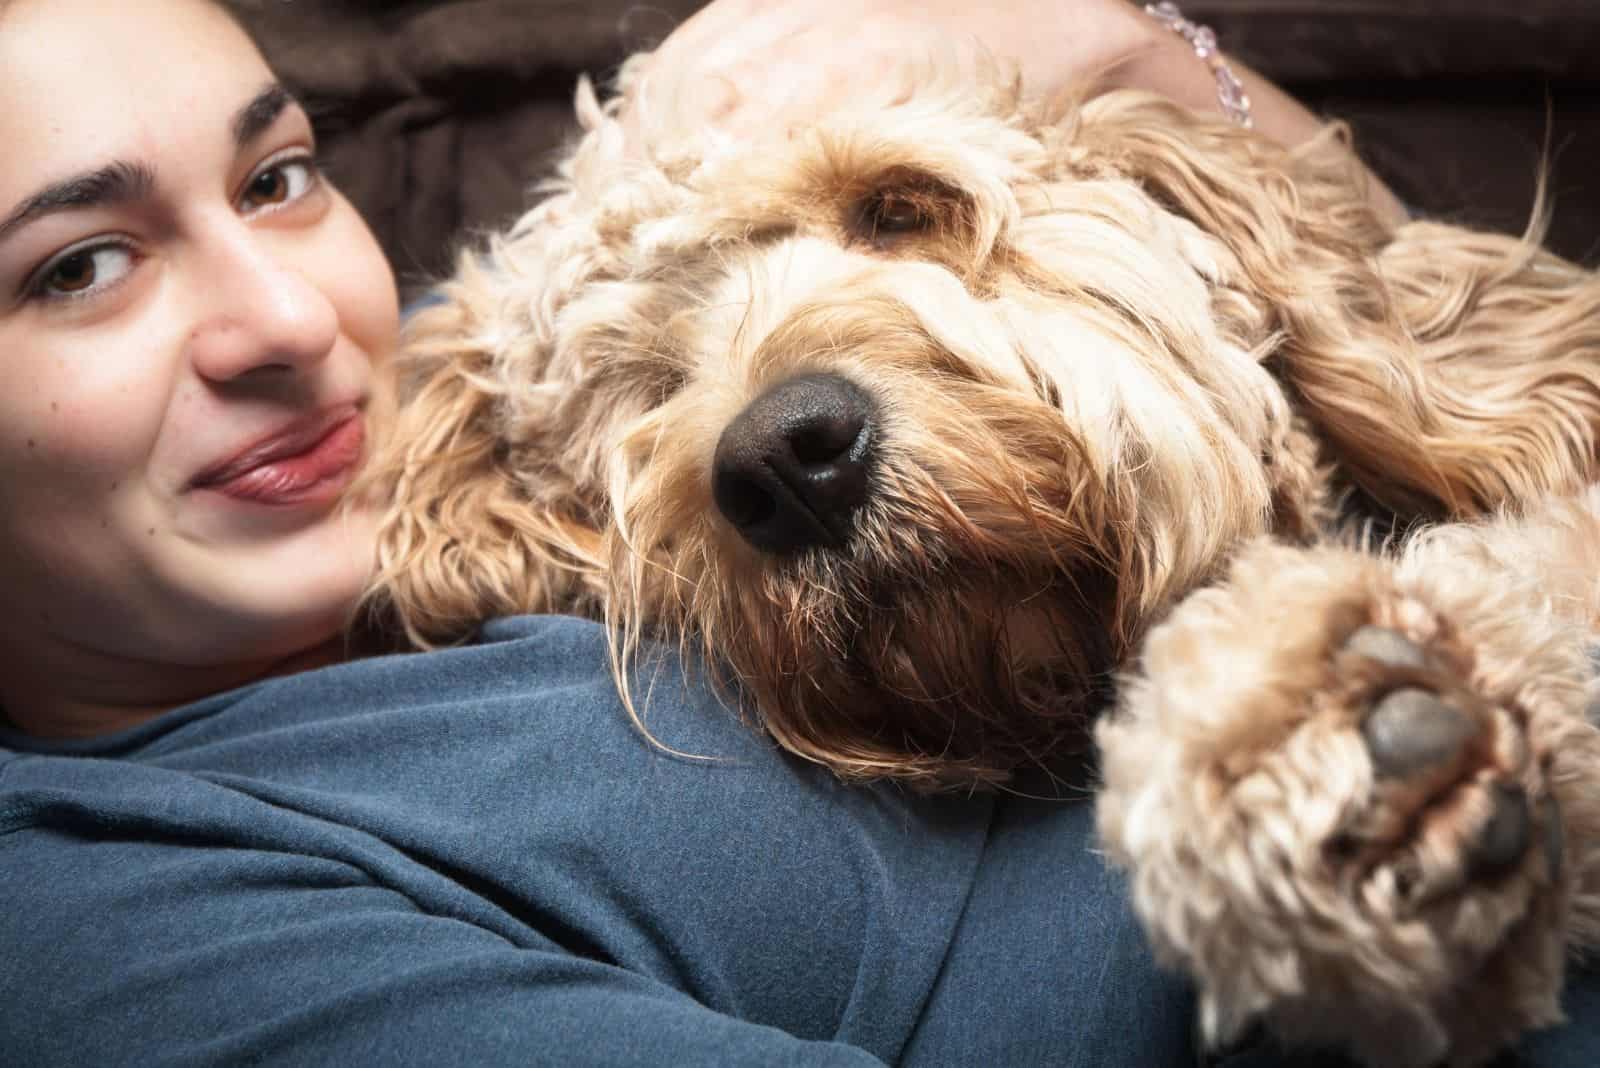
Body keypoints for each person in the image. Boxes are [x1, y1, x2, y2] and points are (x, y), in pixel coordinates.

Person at [0, 0, 1590, 1064]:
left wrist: (1126, 46)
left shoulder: (432, 375)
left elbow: (1429, 357)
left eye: (277, 176)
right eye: (76, 267)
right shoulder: (94, 915)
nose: (284, 319)